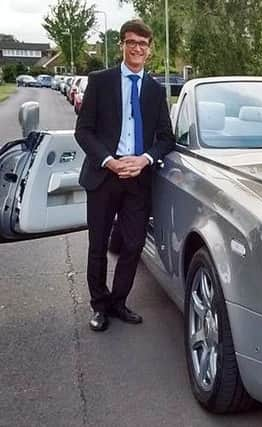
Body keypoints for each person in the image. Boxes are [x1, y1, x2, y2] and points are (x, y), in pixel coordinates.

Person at [75, 19, 175, 331]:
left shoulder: (156, 91)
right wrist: (109, 160)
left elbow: (165, 138)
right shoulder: (100, 81)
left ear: (149, 49)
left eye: (143, 44)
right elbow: (84, 131)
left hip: (138, 180)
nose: (137, 48)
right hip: (104, 176)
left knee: (132, 245)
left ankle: (119, 301)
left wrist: (144, 159)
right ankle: (99, 306)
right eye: (131, 42)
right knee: (98, 246)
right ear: (122, 44)